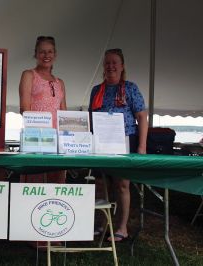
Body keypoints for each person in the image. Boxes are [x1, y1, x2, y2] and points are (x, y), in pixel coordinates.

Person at [89, 48, 148, 242]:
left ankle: (122, 228)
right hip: (101, 142)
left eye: (115, 62)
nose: (111, 66)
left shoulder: (130, 88)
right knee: (100, 184)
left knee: (122, 184)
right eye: (107, 63)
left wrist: (141, 147)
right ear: (103, 67)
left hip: (124, 140)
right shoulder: (97, 90)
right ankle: (100, 225)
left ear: (122, 66)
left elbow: (142, 117)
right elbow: (90, 118)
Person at [19, 36, 67, 183]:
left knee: (57, 182)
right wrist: (42, 128)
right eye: (42, 52)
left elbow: (64, 115)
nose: (46, 56)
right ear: (36, 54)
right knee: (35, 182)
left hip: (58, 141)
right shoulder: (29, 75)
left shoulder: (60, 82)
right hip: (36, 138)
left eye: (50, 52)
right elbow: (24, 109)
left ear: (55, 54)